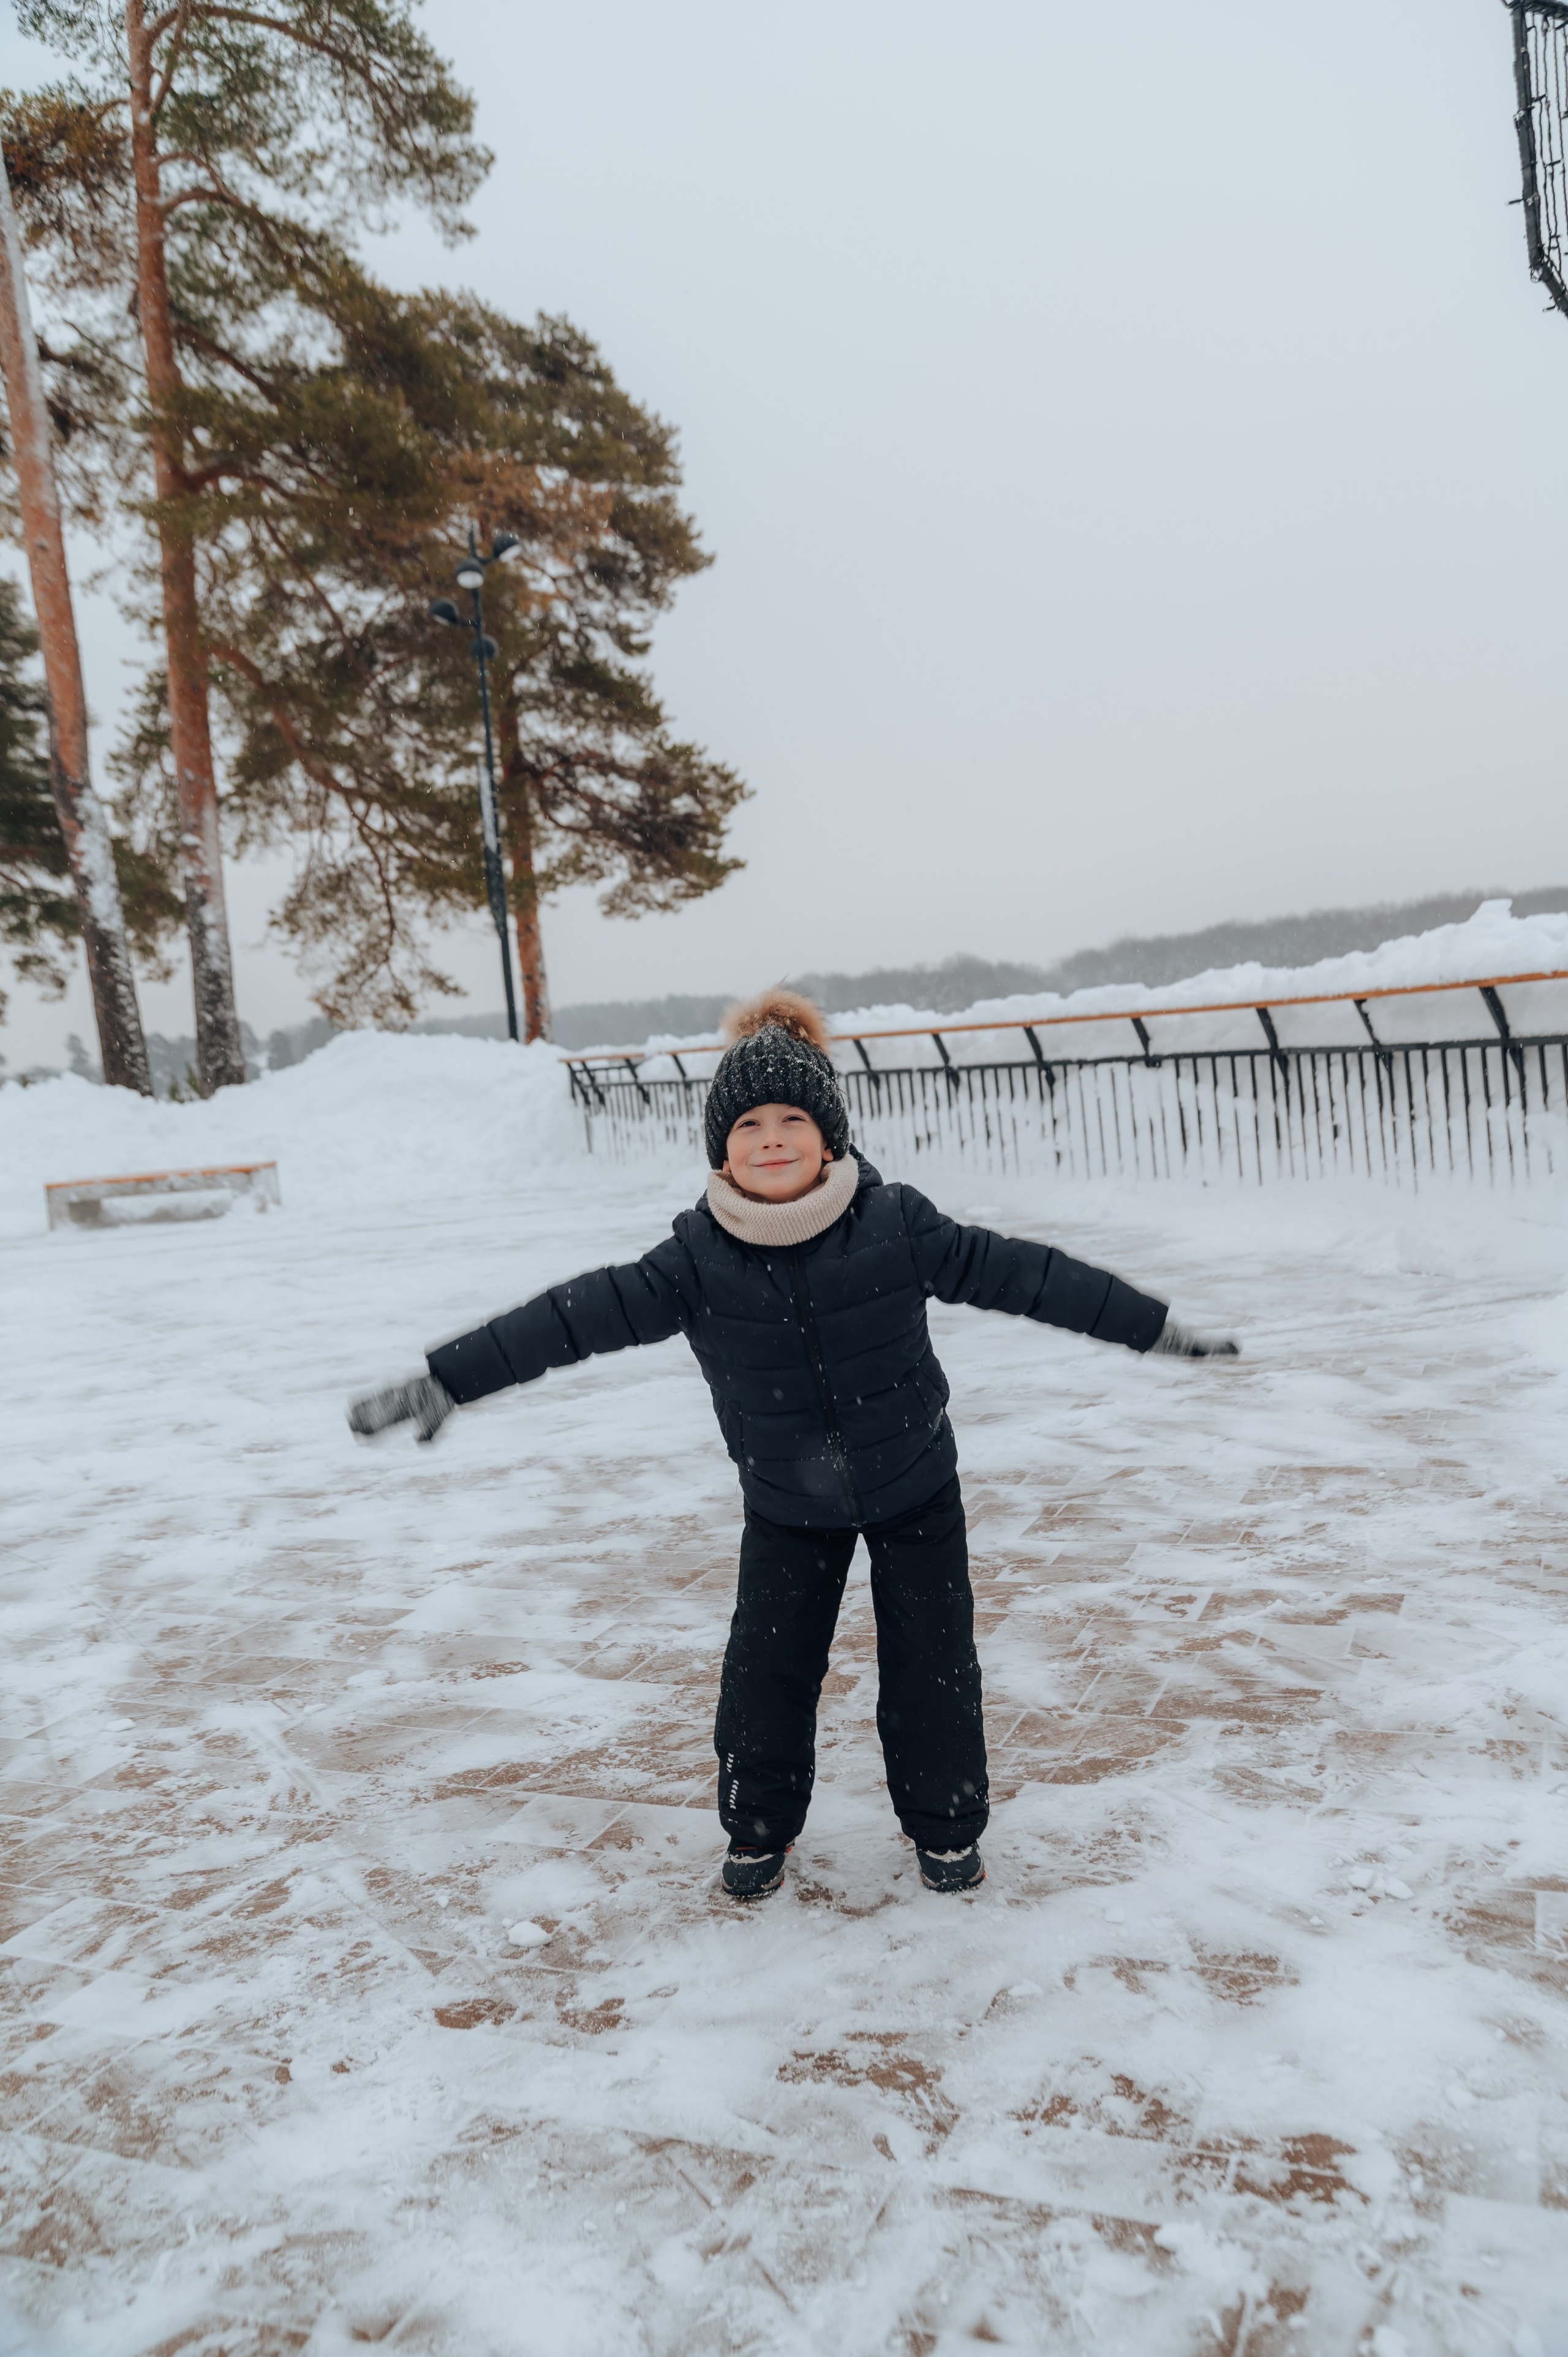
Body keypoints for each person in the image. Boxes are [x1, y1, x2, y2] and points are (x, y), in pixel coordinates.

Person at [349, 992, 1238, 1901]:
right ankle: (758, 1831)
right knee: (767, 1672)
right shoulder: (693, 1261)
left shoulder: (898, 1227)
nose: (771, 1140)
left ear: (830, 1138)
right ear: (720, 1151)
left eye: (793, 1121)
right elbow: (567, 1320)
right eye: (748, 1126)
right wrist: (451, 1379)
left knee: (933, 1663)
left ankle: (946, 1828)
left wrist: (1150, 1327)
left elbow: (1032, 1276)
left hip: (915, 1486)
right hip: (785, 1503)